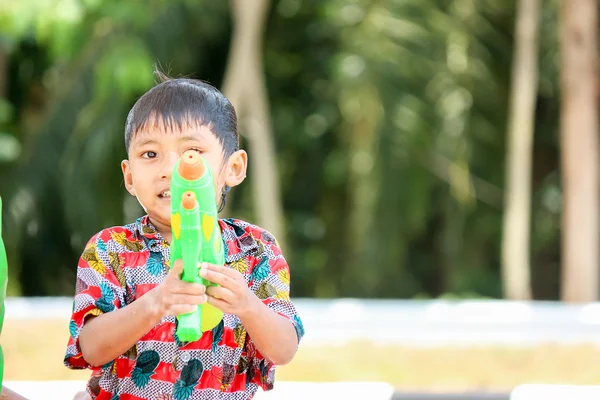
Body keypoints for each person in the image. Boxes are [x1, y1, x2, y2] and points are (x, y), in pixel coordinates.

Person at [64, 71, 305, 399]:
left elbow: (284, 349)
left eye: (192, 151)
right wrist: (155, 302)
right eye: (150, 154)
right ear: (130, 175)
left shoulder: (254, 249)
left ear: (233, 168)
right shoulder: (110, 249)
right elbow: (91, 348)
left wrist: (247, 305)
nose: (169, 169)